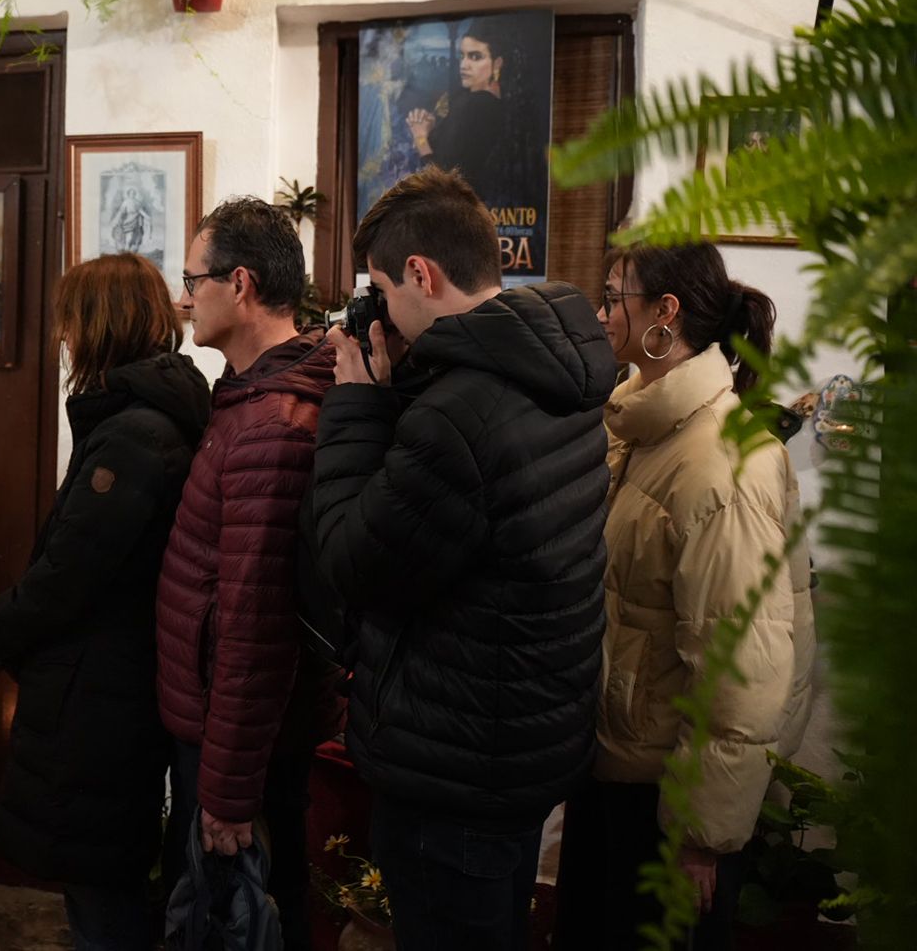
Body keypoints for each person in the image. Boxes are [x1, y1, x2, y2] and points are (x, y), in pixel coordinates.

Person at [311, 167, 617, 951]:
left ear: (421, 272)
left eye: (382, 288)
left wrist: (355, 406)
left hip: (452, 771)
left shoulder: (459, 414)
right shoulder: (554, 371)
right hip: (518, 744)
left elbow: (353, 561)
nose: (381, 311)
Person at [552, 243, 816, 951]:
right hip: (613, 767)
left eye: (614, 297)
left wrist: (701, 835)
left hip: (666, 803)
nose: (601, 313)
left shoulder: (720, 463)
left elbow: (742, 668)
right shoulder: (641, 428)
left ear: (664, 313)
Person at [0, 253, 210, 951]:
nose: (64, 337)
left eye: (71, 321)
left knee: (102, 893)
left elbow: (69, 573)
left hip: (103, 690)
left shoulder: (134, 435)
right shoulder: (144, 415)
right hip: (113, 678)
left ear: (101, 325)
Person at [156, 196, 340, 951]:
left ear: (240, 284)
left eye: (192, 280)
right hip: (223, 729)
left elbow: (256, 623)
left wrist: (227, 791)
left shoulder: (272, 424)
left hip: (237, 743)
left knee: (248, 918)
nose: (183, 299)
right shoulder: (249, 395)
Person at [406, 18, 511, 197]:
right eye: (462, 56)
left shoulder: (473, 106)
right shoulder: (493, 102)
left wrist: (420, 137)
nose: (464, 65)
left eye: (475, 57)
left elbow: (441, 180)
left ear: (497, 63)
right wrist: (433, 129)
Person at [110, 187, 152, 255]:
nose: (132, 195)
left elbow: (141, 211)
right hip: (127, 220)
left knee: (133, 236)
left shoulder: (137, 202)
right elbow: (121, 212)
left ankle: (129, 249)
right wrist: (116, 219)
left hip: (135, 221)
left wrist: (146, 216)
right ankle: (126, 249)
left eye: (133, 193)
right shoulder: (125, 202)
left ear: (135, 194)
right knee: (127, 236)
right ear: (128, 194)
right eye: (131, 193)